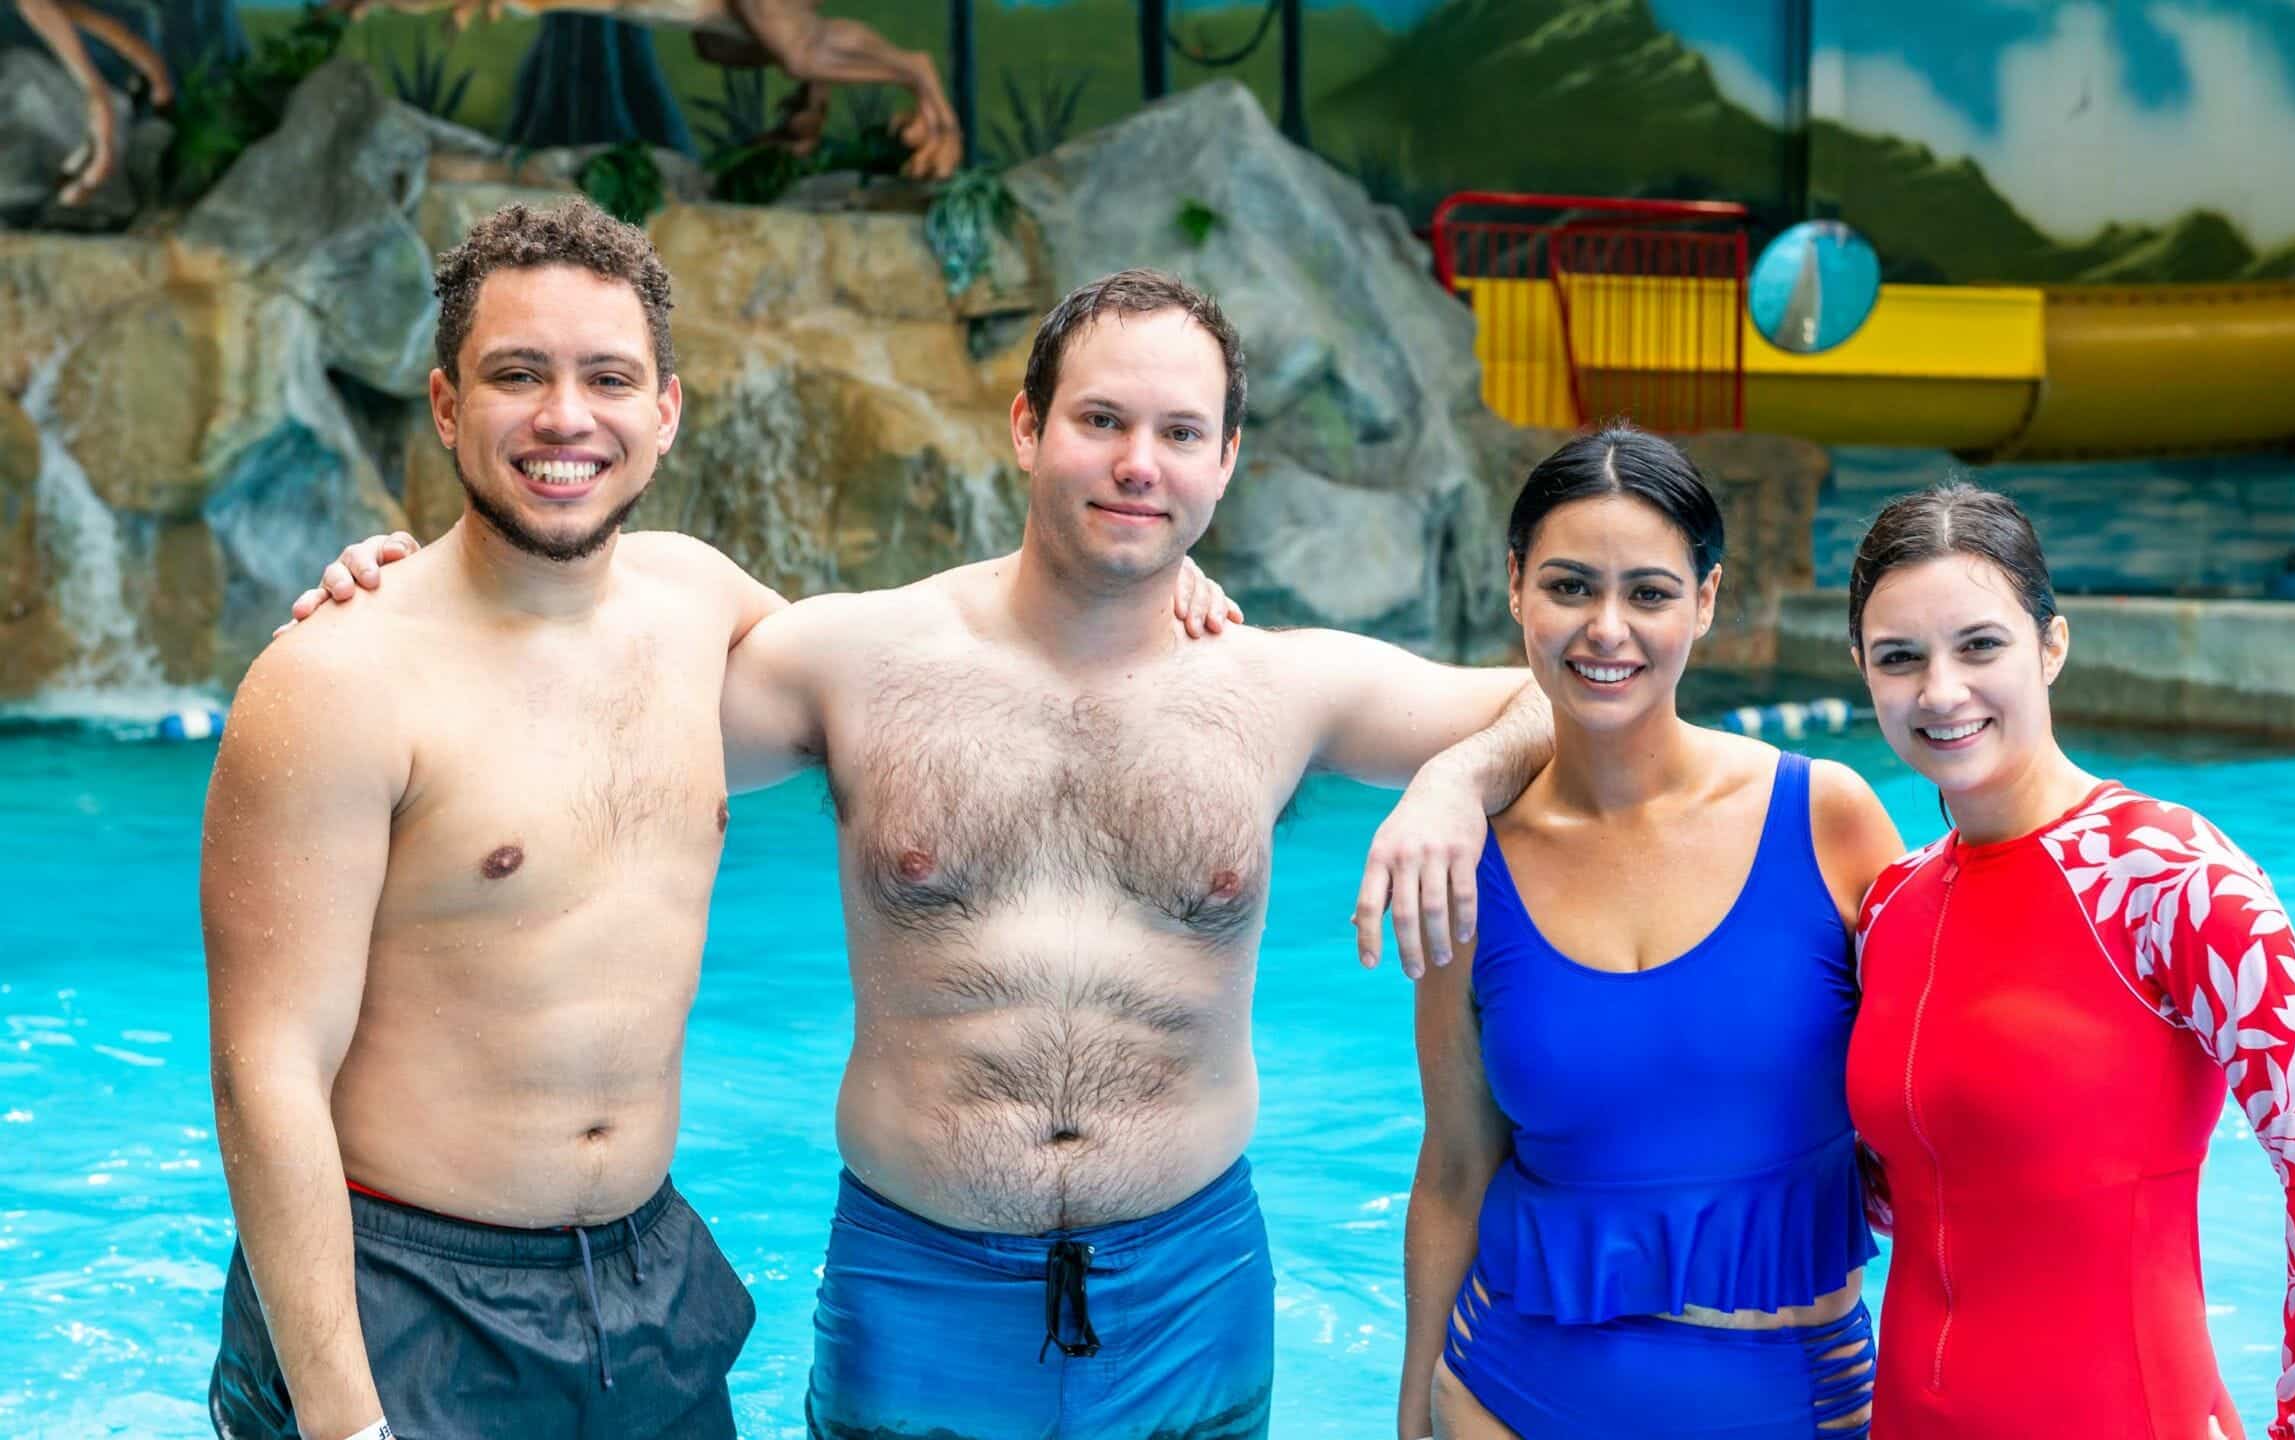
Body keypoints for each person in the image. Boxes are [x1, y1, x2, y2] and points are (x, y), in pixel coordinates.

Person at [295, 266, 1550, 1438]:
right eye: (1100, 421)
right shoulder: (855, 660)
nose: (1135, 464)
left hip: (1191, 1280)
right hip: (918, 1281)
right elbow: (577, 682)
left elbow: (1578, 703)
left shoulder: (1284, 684)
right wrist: (425, 592)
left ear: (1227, 461)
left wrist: (1455, 779)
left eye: (1178, 436)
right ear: (1024, 428)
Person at [203, 201, 1239, 1440]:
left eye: (607, 378)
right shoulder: (336, 680)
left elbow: (923, 674)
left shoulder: (697, 603)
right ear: (443, 404)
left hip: (643, 1281)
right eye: (516, 375)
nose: (564, 418)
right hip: (401, 1287)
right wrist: (341, 1421)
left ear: (665, 413)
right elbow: (264, 1075)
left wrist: (1159, 575)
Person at [1839, 482, 2295, 1440]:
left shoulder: (2167, 876)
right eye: (1901, 658)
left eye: (1980, 645)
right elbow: (1897, 1195)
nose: (1940, 690)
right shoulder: (1890, 905)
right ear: (1863, 671)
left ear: (2051, 646)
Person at [1396, 426, 1907, 1440]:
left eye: (1650, 593)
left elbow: (1940, 1128)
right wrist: (1414, 1411)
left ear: (1706, 600)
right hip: (1509, 1397)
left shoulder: (1827, 820)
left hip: (1793, 1402)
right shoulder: (1470, 863)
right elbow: (1455, 1167)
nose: (1606, 629)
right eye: (1570, 586)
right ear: (1514, 588)